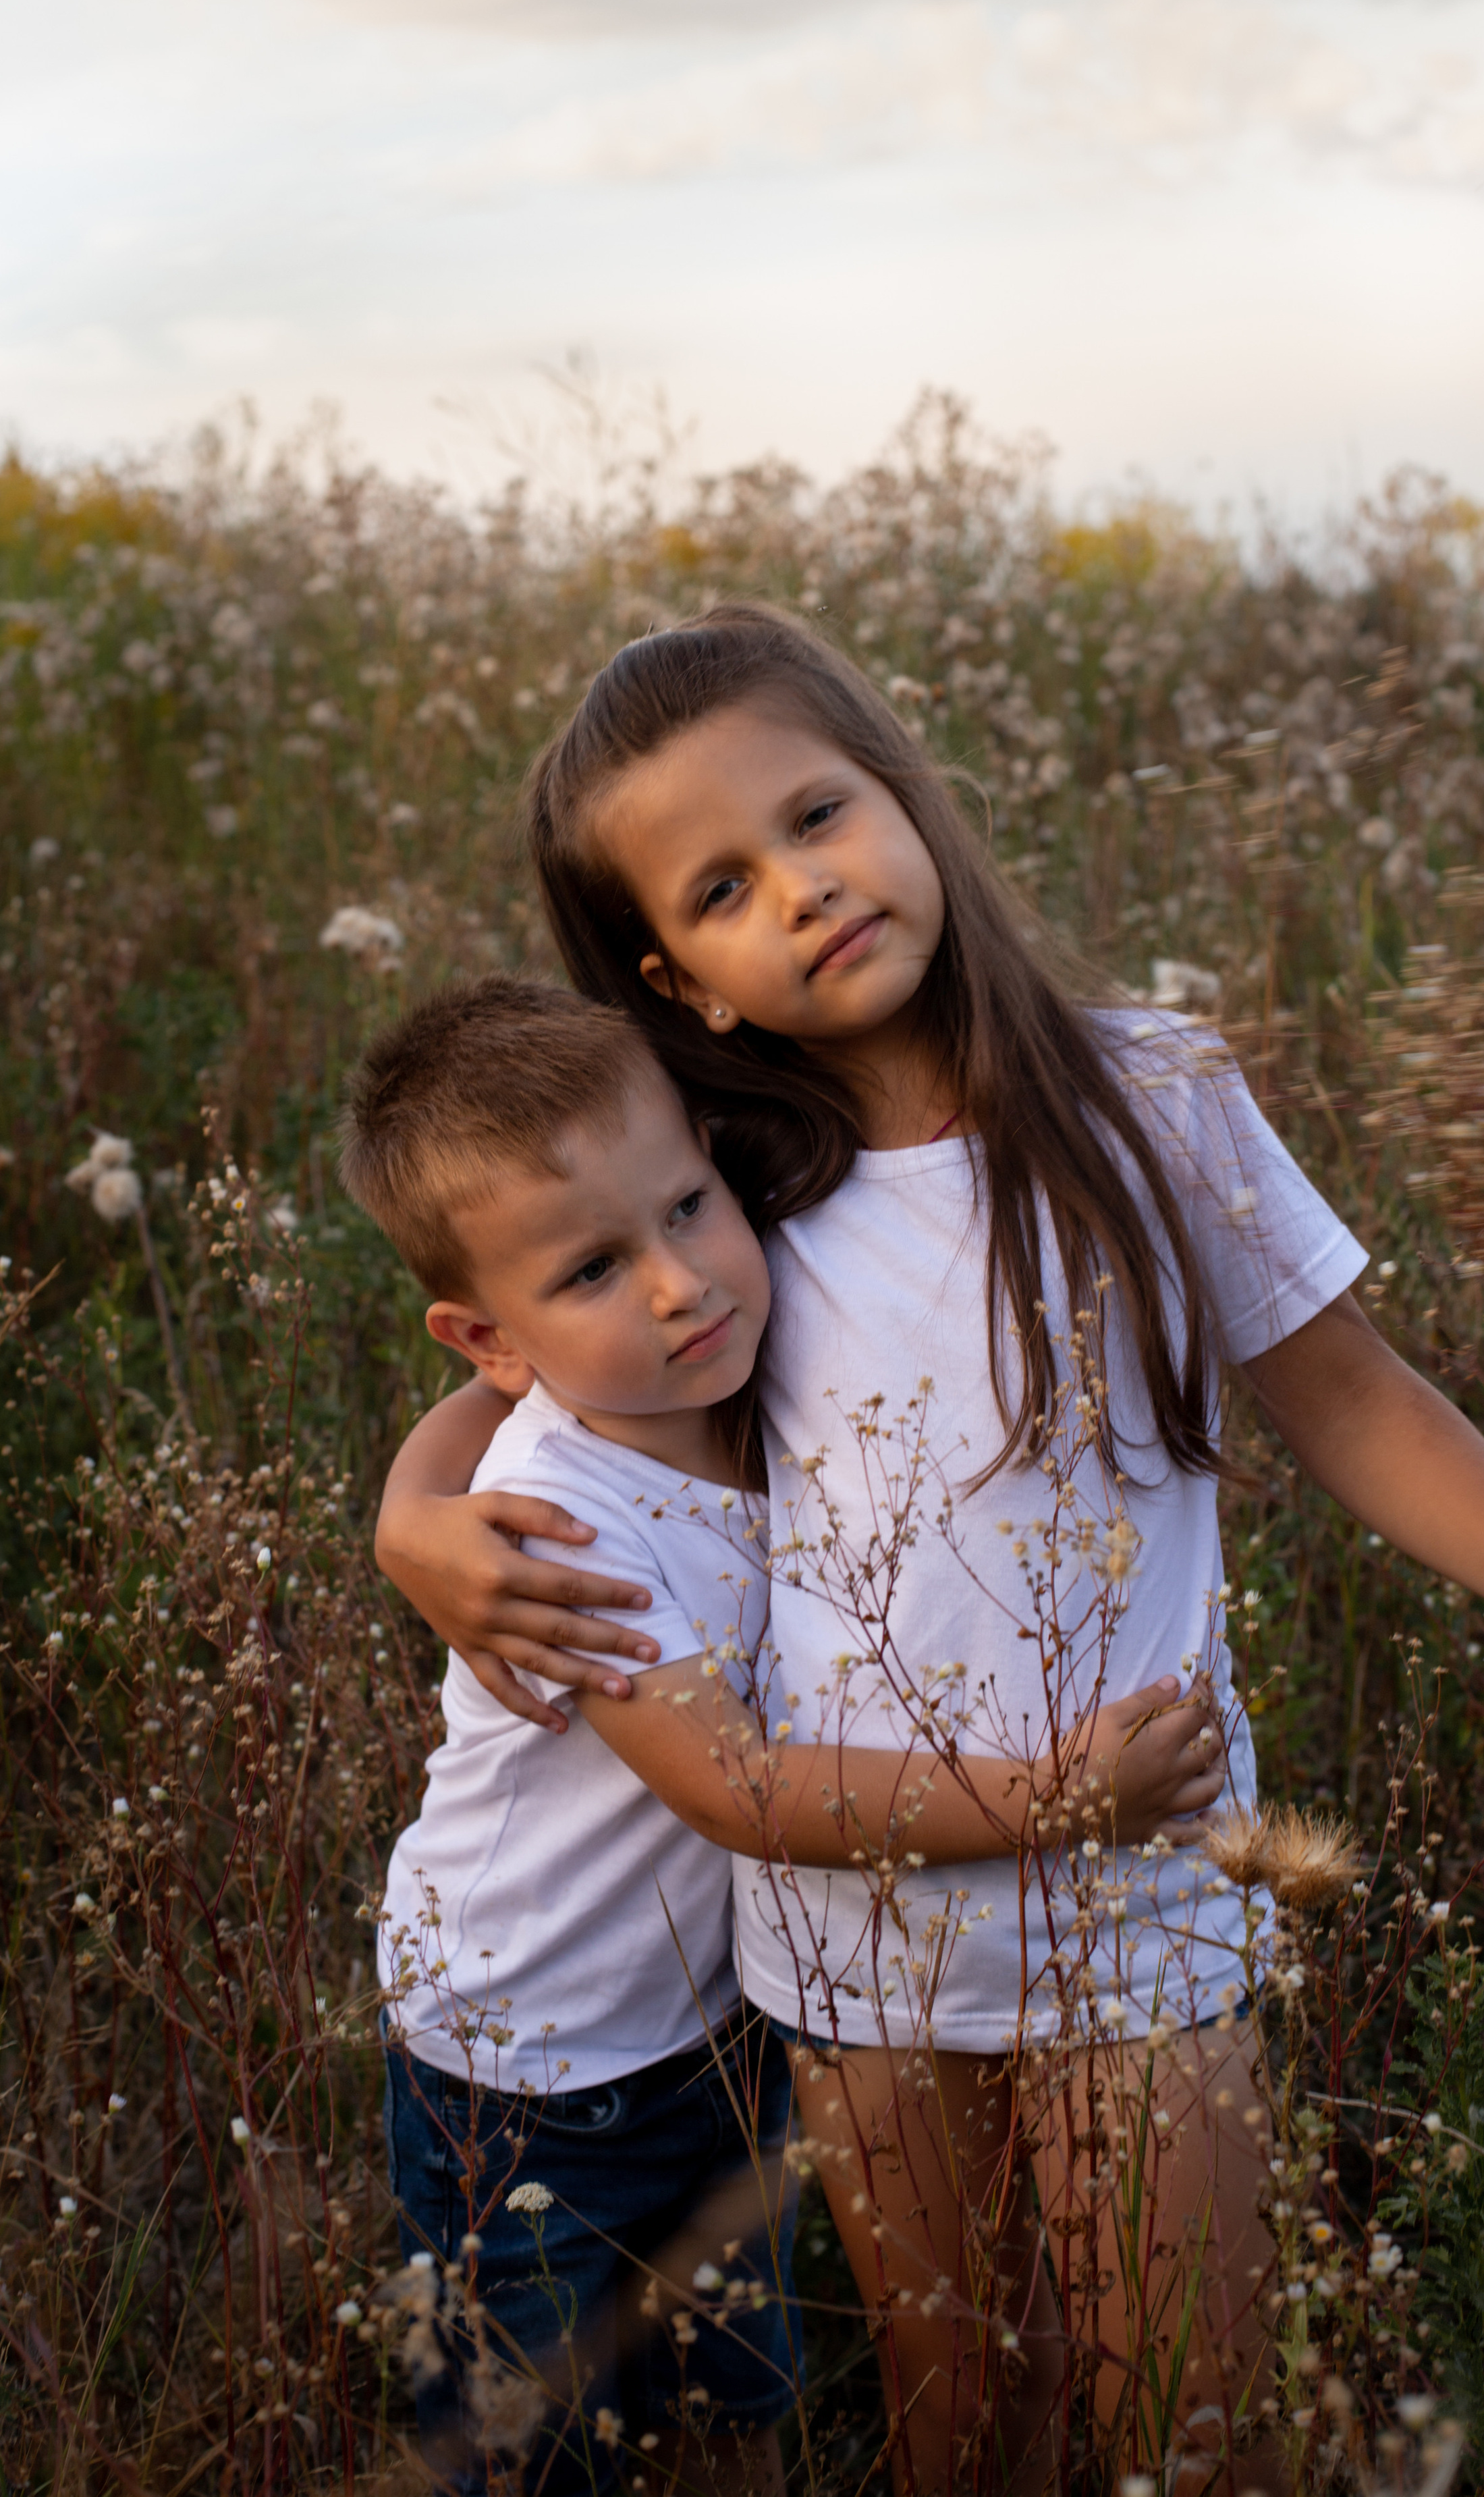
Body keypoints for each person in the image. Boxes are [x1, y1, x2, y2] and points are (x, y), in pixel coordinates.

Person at [372, 607, 1484, 2496]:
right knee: (968, 2418)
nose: (802, 888)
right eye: (725, 888)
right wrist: (414, 1519)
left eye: (817, 815)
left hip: (1137, 1883)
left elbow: (1341, 1391)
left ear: (906, 789)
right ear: (682, 982)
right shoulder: (729, 1181)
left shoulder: (1152, 1098)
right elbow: (535, 1386)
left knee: (1195, 2419)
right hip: (852, 1934)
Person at [341, 969, 1225, 2497]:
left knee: (729, 2396)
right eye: (595, 1269)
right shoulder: (558, 1524)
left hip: (723, 2032)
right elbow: (739, 1790)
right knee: (532, 2440)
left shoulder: (751, 1381)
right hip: (529, 2072)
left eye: (689, 1208)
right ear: (489, 1336)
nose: (679, 1284)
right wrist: (1054, 1797)